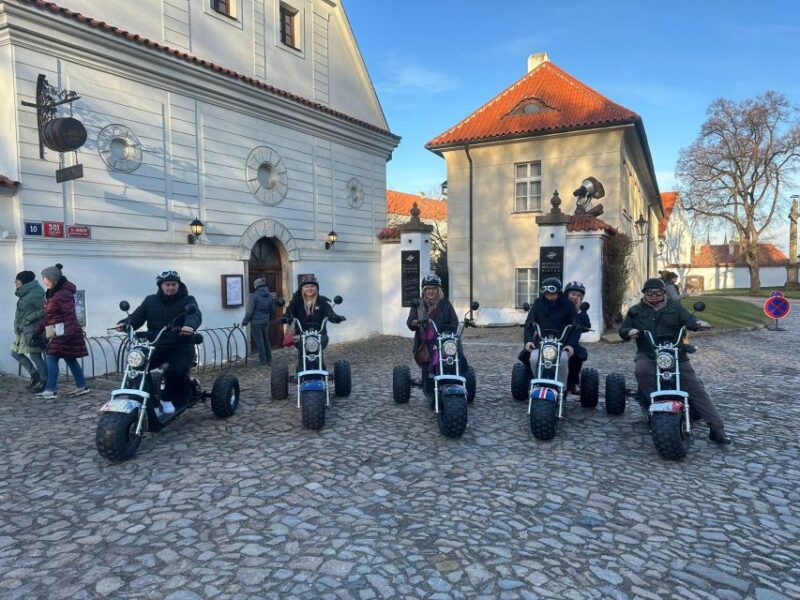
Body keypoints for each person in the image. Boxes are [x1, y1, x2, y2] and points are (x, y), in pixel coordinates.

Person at [619, 277, 731, 445]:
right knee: (641, 371)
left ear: (664, 292)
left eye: (659, 292)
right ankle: (653, 407)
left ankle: (717, 428)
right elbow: (623, 329)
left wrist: (698, 323)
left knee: (695, 387)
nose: (655, 296)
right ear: (644, 293)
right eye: (651, 292)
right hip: (649, 353)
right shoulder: (635, 310)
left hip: (676, 353)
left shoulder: (674, 306)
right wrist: (630, 331)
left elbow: (689, 320)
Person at [118, 270, 202, 414]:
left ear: (178, 285)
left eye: (174, 284)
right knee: (138, 368)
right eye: (167, 284)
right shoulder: (150, 300)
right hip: (156, 345)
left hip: (180, 345)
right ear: (161, 286)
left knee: (176, 369)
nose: (170, 287)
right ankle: (153, 403)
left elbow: (194, 315)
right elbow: (137, 317)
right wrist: (126, 323)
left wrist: (189, 326)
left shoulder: (188, 300)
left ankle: (167, 398)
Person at [406, 273, 468, 396]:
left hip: (443, 340)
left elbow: (454, 322)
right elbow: (410, 323)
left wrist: (451, 332)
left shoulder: (445, 304)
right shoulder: (418, 305)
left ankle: (460, 378)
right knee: (428, 360)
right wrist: (414, 322)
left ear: (438, 290)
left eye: (433, 289)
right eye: (428, 289)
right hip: (425, 343)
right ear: (424, 291)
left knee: (457, 355)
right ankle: (429, 383)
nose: (431, 292)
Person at [36, 263, 89, 399]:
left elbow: (69, 316)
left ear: (53, 279)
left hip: (65, 331)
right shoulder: (53, 293)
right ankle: (81, 386)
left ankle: (50, 389)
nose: (44, 281)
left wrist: (67, 334)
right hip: (56, 330)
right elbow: (49, 316)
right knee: (69, 358)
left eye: (45, 278)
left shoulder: (63, 294)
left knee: (51, 356)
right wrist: (37, 332)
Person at [522, 277, 579, 392]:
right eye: (547, 294)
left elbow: (576, 328)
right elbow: (529, 324)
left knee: (562, 360)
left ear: (558, 292)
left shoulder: (568, 305)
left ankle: (562, 387)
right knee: (534, 358)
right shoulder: (538, 303)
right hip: (542, 342)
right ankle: (538, 382)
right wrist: (528, 341)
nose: (549, 296)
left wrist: (571, 345)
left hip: (562, 343)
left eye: (552, 294)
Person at [284, 275, 343, 368]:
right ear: (302, 288)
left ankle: (321, 369)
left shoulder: (322, 301)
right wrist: (286, 317)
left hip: (320, 335)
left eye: (312, 286)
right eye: (306, 286)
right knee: (302, 349)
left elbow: (329, 312)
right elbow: (289, 311)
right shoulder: (296, 302)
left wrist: (335, 317)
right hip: (300, 335)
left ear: (316, 288)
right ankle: (301, 368)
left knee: (318, 346)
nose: (309, 288)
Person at [10, 271, 48, 392]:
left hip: (32, 329)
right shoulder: (25, 293)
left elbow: (45, 309)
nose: (15, 282)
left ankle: (44, 381)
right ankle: (35, 375)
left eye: (17, 280)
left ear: (24, 281)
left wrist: (28, 319)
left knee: (35, 355)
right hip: (22, 330)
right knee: (14, 353)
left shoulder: (34, 293)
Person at [563, 280, 590, 395]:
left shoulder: (580, 312)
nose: (575, 297)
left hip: (571, 343)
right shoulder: (559, 308)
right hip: (554, 340)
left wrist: (581, 311)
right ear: (567, 295)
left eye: (579, 296)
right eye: (573, 294)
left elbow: (586, 326)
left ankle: (573, 382)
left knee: (578, 356)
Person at [242, 278, 275, 365]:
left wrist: (245, 322)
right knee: (266, 339)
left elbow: (250, 311)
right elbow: (273, 310)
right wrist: (268, 317)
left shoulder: (254, 296)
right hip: (266, 320)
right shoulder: (269, 295)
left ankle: (263, 360)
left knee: (259, 341)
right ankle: (269, 358)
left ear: (256, 286)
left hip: (256, 321)